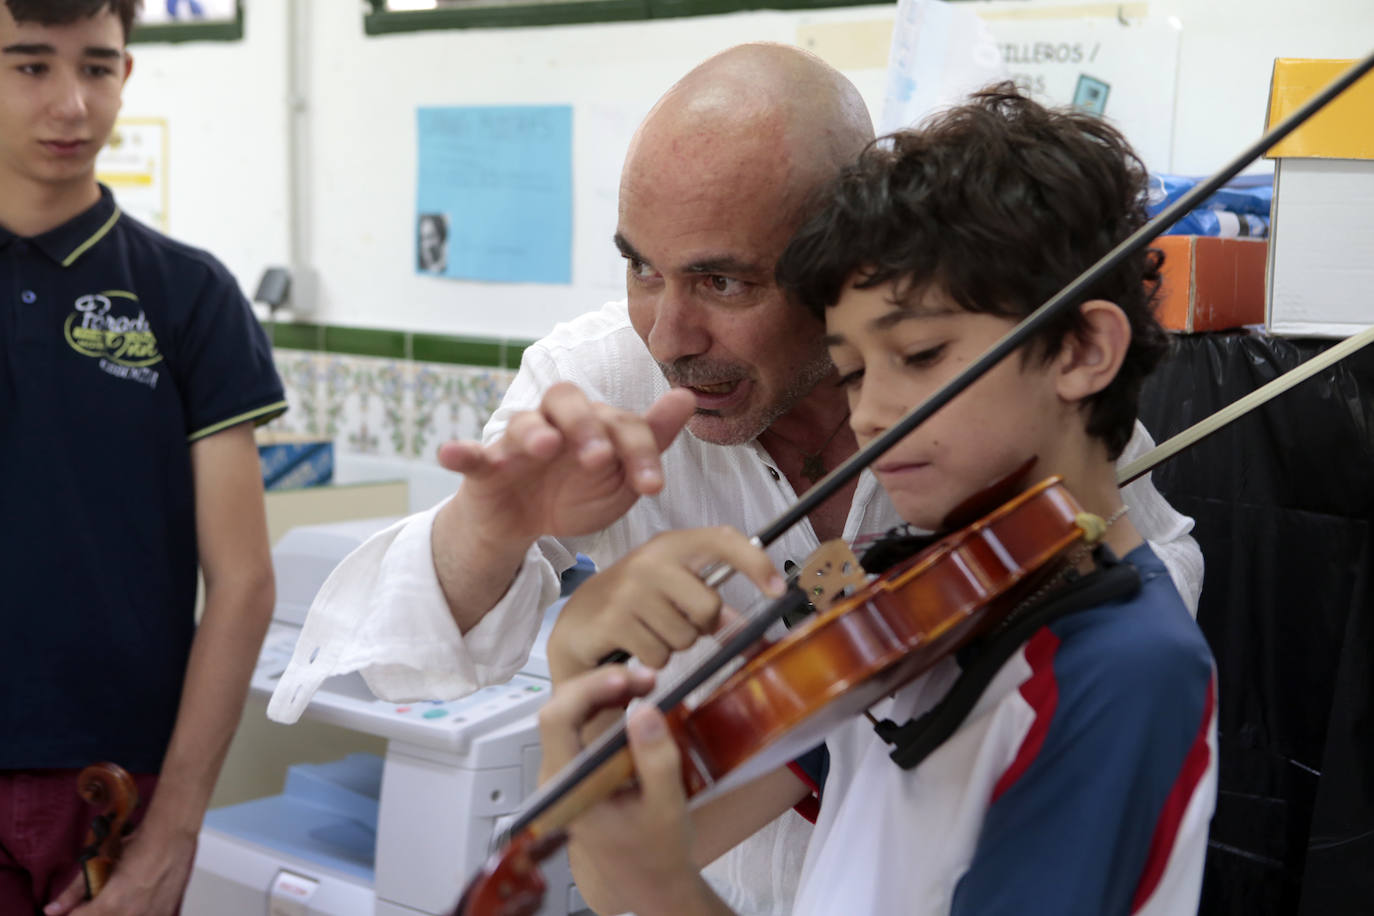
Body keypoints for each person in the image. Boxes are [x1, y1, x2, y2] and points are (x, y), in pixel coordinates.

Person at [268, 44, 1202, 916]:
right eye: (639, 267)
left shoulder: (1014, 435)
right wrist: (507, 554)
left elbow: (1129, 590)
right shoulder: (603, 383)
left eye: (723, 283)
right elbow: (594, 842)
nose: (668, 335)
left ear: (837, 264)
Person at [535, 84, 1218, 916]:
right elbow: (624, 873)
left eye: (922, 355)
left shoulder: (1124, 669)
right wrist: (583, 669)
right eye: (853, 371)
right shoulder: (909, 620)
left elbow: (654, 882)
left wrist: (668, 891)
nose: (873, 415)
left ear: (1082, 348)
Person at [0, 2, 286, 914]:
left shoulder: (189, 296)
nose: (71, 105)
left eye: (97, 67)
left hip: (111, 800)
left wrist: (172, 840)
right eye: (30, 66)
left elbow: (242, 583)